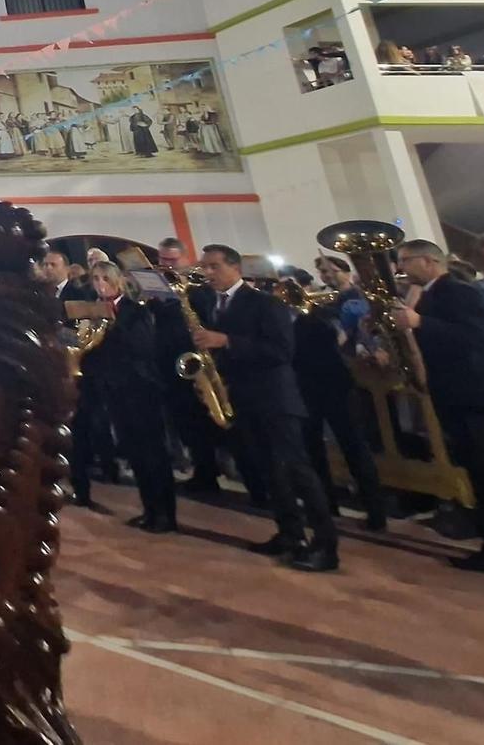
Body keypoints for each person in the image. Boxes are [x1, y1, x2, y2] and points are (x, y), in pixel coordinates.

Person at [190, 244, 339, 571]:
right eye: (205, 267)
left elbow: (282, 351)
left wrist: (226, 341)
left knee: (297, 471)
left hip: (275, 399)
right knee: (271, 473)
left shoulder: (263, 302)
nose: (207, 273)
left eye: (214, 267)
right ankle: (290, 533)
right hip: (245, 398)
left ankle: (326, 546)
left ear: (235, 268)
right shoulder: (216, 305)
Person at [393, 240, 484, 573]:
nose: (399, 267)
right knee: (478, 470)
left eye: (405, 260)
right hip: (456, 393)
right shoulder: (429, 293)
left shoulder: (459, 291)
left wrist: (420, 322)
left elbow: (478, 336)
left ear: (429, 261)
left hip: (474, 393)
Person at [77, 262, 179, 532]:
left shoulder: (135, 311)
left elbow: (143, 347)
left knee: (153, 453)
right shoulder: (93, 312)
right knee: (135, 453)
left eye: (105, 279)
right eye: (96, 279)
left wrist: (110, 325)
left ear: (117, 281)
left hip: (140, 390)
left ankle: (165, 514)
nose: (100, 284)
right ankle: (149, 509)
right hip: (113, 391)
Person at [294, 255, 386, 530]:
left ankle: (375, 512)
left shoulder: (342, 305)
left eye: (329, 269)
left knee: (354, 447)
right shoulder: (311, 310)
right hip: (309, 385)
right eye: (320, 270)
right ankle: (326, 505)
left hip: (338, 383)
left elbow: (346, 338)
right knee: (315, 449)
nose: (324, 275)